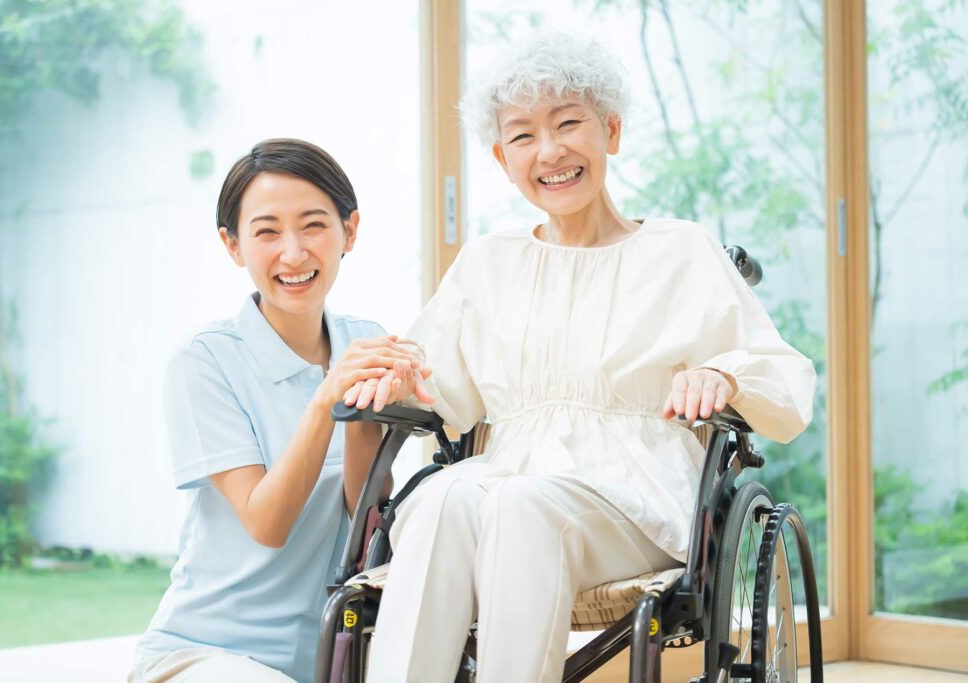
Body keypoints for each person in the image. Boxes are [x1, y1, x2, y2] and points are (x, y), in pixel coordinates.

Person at [348, 32, 817, 683]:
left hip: (638, 498)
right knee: (439, 498)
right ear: (501, 156)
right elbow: (438, 386)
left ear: (612, 131)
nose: (550, 151)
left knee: (519, 505)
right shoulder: (488, 262)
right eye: (522, 135)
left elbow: (784, 374)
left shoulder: (680, 251)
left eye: (569, 123)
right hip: (508, 477)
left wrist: (722, 373)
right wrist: (403, 377)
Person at [130, 139, 428, 683]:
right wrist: (326, 400)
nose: (292, 253)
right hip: (202, 653)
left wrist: (371, 405)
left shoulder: (361, 341)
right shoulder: (204, 362)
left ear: (350, 232)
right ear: (234, 244)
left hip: (325, 660)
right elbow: (267, 523)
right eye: (266, 231)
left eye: (314, 225)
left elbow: (363, 517)